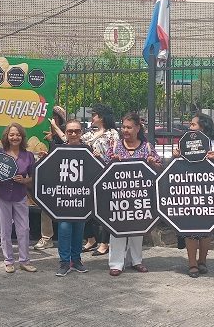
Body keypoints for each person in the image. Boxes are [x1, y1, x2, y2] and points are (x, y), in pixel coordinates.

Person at [104, 112, 161, 276]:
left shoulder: (147, 147)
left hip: (140, 198)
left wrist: (152, 164)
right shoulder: (115, 146)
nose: (125, 130)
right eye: (123, 127)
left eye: (129, 127)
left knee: (138, 229)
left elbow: (159, 170)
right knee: (117, 228)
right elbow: (104, 170)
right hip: (118, 196)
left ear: (138, 128)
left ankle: (136, 260)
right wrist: (112, 162)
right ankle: (116, 263)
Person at [172, 113, 214, 278]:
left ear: (203, 127)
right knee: (189, 229)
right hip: (189, 194)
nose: (190, 127)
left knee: (206, 230)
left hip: (210, 194)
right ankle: (192, 264)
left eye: (193, 125)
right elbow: (174, 171)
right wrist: (176, 157)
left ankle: (202, 261)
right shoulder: (183, 145)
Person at [0, 123, 37, 273]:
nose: (15, 137)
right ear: (7, 136)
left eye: (18, 135)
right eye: (12, 135)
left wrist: (24, 181)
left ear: (22, 137)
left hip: (20, 195)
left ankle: (24, 260)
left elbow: (33, 176)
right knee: (5, 229)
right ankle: (8, 261)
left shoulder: (28, 155)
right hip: (2, 195)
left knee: (24, 229)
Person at [48, 119, 90, 276]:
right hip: (63, 199)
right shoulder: (57, 150)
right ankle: (64, 262)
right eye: (70, 131)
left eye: (77, 131)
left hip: (81, 199)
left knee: (79, 230)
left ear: (81, 133)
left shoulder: (88, 150)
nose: (73, 134)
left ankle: (76, 260)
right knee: (64, 229)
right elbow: (50, 172)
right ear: (65, 133)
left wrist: (98, 157)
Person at [81, 103, 119, 256]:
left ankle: (104, 243)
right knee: (87, 208)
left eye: (94, 115)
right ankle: (91, 239)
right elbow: (73, 141)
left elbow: (114, 155)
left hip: (105, 175)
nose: (92, 117)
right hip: (89, 175)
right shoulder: (90, 134)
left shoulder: (112, 134)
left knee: (104, 210)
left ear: (101, 117)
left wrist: (101, 157)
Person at [33, 105, 67, 251]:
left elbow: (65, 146)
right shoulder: (52, 134)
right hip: (53, 173)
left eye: (53, 117)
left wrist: (54, 136)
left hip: (67, 175)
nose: (51, 120)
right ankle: (47, 237)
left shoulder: (66, 133)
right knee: (45, 204)